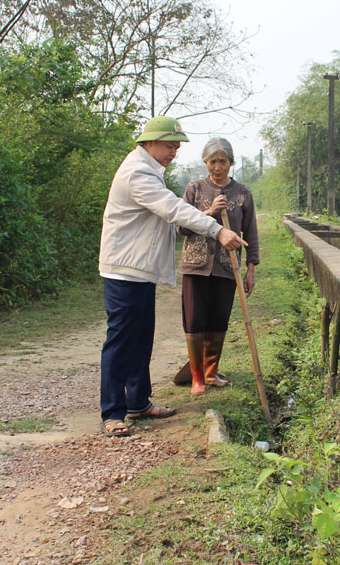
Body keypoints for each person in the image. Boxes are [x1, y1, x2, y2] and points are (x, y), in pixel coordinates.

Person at [98, 117, 247, 437]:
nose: (174, 152)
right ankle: (112, 412)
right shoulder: (138, 173)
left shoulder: (149, 169)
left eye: (177, 147)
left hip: (138, 269)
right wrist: (218, 230)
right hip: (124, 270)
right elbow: (174, 210)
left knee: (141, 338)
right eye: (170, 145)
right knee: (122, 340)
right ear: (148, 142)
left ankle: (138, 402)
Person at [177, 138, 260, 395]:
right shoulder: (194, 189)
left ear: (231, 163)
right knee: (195, 319)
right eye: (212, 161)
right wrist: (210, 211)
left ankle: (211, 372)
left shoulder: (243, 194)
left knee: (218, 319)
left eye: (222, 161)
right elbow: (181, 227)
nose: (217, 166)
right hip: (196, 265)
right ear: (205, 162)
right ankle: (197, 377)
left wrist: (251, 269)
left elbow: (252, 233)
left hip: (227, 267)